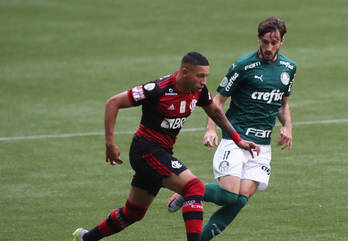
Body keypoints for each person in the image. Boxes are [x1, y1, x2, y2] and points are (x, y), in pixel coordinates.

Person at [72, 52, 260, 241]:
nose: (204, 81)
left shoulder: (198, 90)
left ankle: (86, 238)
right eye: (200, 76)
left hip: (160, 154)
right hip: (146, 151)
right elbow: (113, 103)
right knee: (194, 187)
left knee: (133, 212)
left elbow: (215, 111)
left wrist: (237, 140)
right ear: (185, 72)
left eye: (206, 76)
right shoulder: (157, 90)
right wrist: (110, 144)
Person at [167, 17, 296, 240]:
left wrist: (288, 126)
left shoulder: (288, 69)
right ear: (259, 39)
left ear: (282, 41)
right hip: (235, 139)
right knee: (228, 195)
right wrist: (210, 129)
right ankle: (188, 189)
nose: (268, 47)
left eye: (274, 42)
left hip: (261, 147)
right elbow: (216, 100)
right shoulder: (243, 66)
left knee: (239, 201)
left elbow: (282, 103)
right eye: (265, 42)